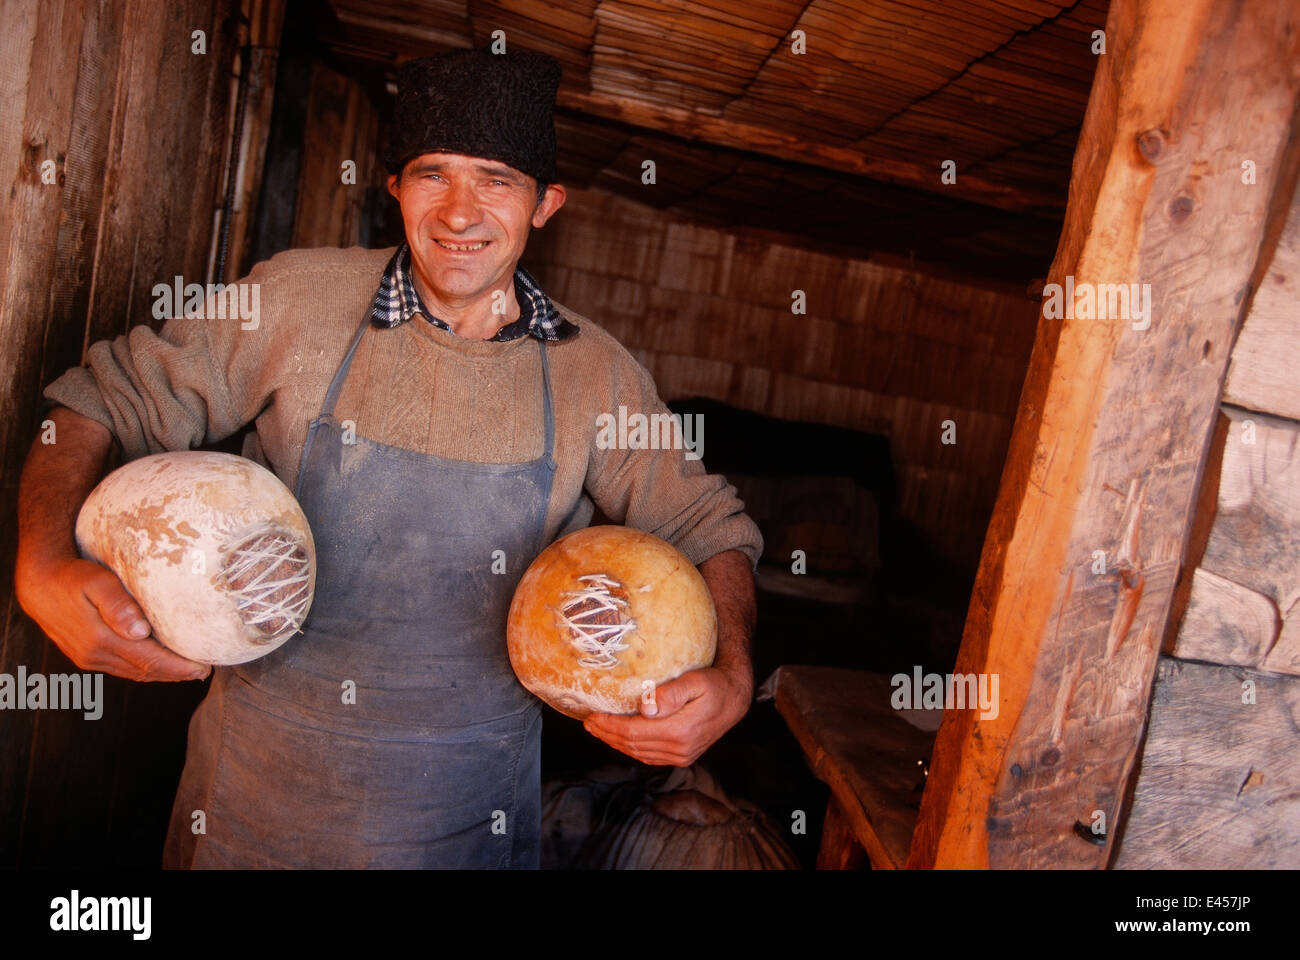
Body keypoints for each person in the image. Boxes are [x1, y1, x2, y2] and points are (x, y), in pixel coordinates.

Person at [13, 47, 762, 868]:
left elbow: (705, 524)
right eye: (432, 174)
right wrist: (42, 561)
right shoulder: (296, 301)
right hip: (244, 817)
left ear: (545, 204)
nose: (459, 212)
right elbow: (97, 402)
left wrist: (730, 672)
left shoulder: (597, 374)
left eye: (497, 180)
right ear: (395, 187)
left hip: (468, 832)